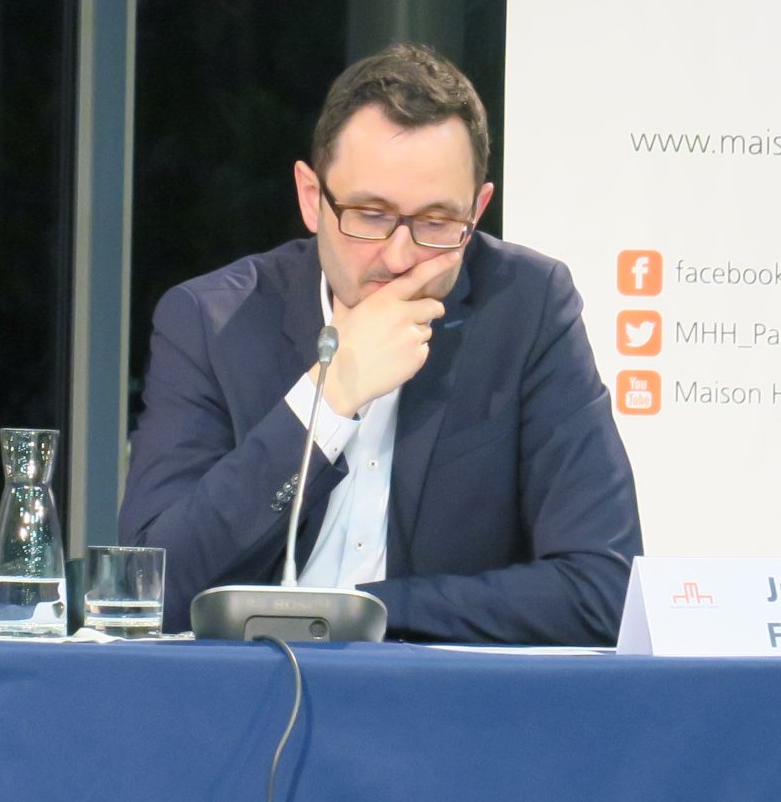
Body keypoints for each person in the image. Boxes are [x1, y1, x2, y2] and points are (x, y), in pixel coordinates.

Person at [118, 43, 641, 643]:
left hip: (433, 692)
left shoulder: (527, 308)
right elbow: (149, 591)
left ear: (477, 210)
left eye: (437, 223)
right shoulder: (211, 321)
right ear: (311, 197)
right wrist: (329, 397)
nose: (398, 256)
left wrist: (361, 611)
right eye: (369, 215)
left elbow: (605, 589)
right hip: (251, 690)